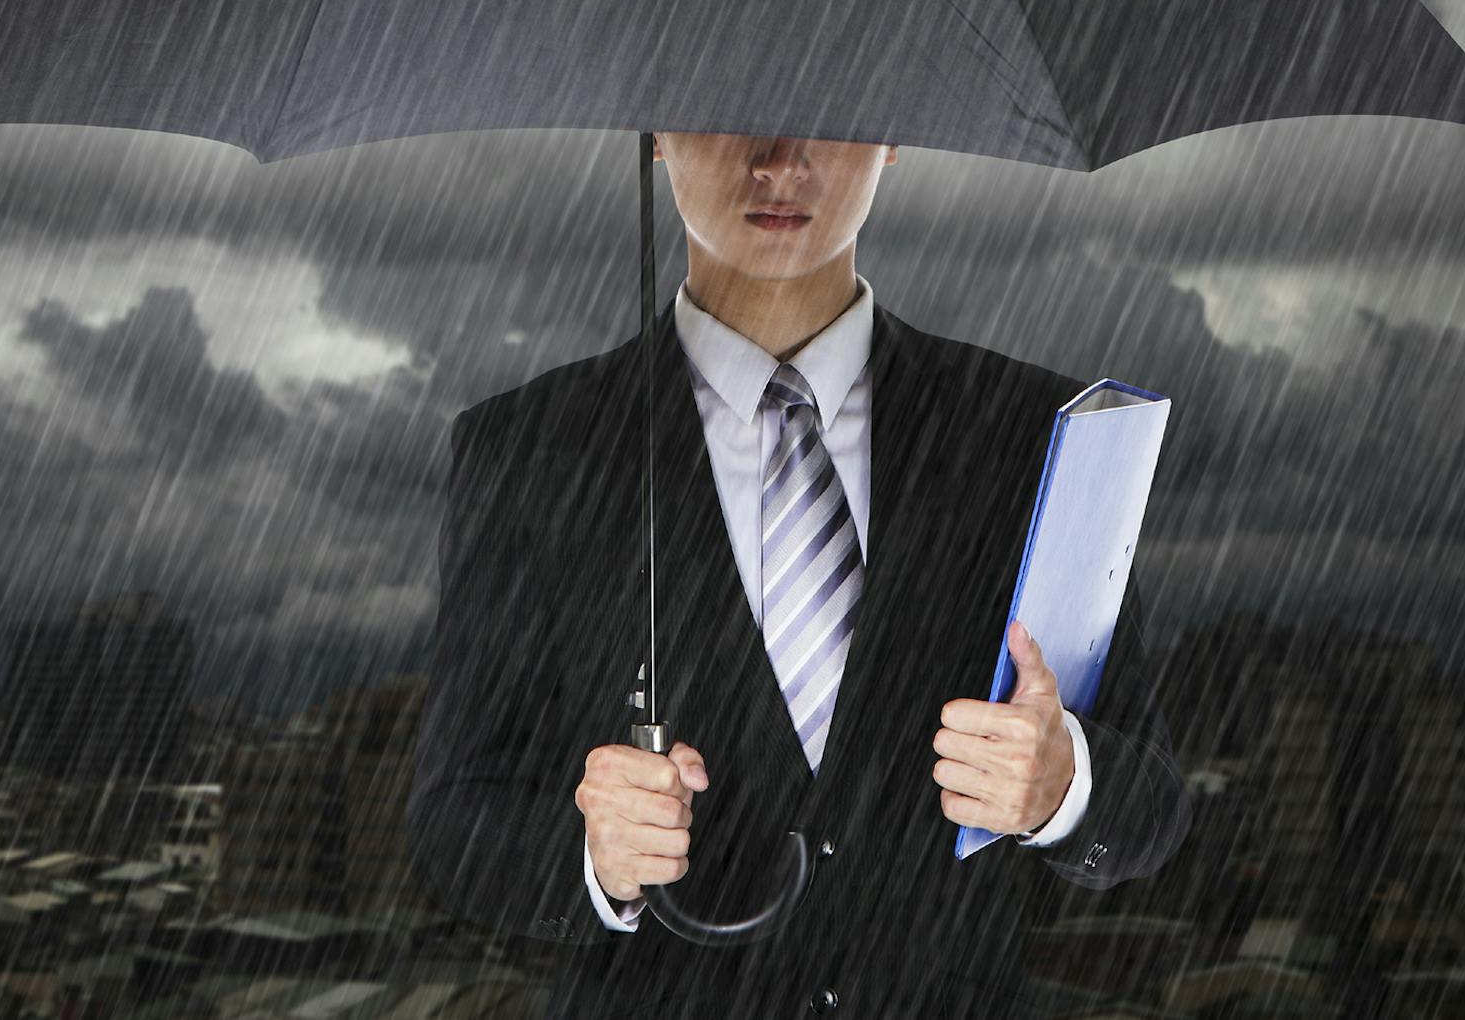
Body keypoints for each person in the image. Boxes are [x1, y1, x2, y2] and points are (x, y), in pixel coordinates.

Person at [405, 132, 1190, 1018]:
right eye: (728, 113)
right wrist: (591, 854)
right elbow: (453, 817)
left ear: (893, 136)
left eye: (829, 111)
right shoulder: (531, 453)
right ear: (657, 134)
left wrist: (1064, 785)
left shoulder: (1031, 434)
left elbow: (1153, 804)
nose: (779, 162)